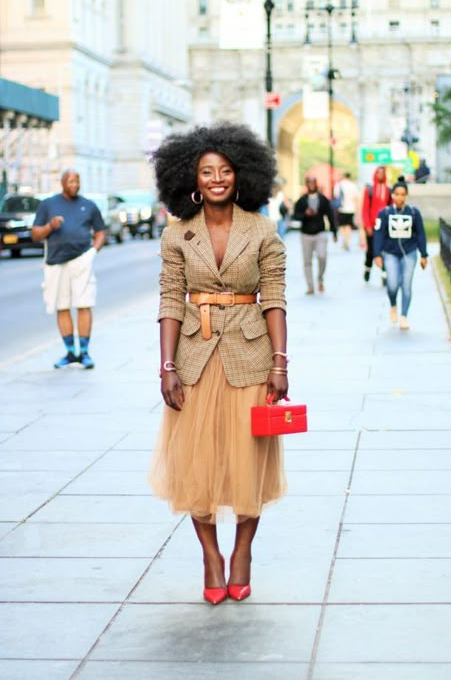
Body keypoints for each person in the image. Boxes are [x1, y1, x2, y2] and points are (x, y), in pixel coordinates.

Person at [148, 123, 288, 605]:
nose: (216, 179)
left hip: (250, 357)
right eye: (206, 172)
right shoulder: (177, 233)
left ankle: (243, 551)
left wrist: (280, 362)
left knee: (250, 463)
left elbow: (274, 296)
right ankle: (211, 556)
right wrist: (167, 366)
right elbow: (170, 299)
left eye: (225, 171)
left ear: (241, 175)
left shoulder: (263, 229)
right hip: (195, 357)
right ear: (192, 178)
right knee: (196, 465)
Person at [32, 170, 105, 369]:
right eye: (71, 181)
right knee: (61, 305)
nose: (75, 184)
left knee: (84, 303)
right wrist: (50, 226)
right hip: (56, 262)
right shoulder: (48, 204)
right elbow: (35, 234)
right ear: (63, 182)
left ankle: (84, 351)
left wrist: (93, 251)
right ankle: (70, 352)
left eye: (77, 181)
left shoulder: (88, 205)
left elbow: (100, 232)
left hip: (81, 261)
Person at [373, 180, 428, 330]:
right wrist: (377, 254)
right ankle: (393, 305)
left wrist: (424, 254)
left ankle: (404, 316)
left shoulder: (414, 213)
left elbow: (421, 234)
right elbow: (378, 234)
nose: (400, 198)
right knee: (392, 284)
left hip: (409, 253)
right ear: (392, 195)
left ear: (406, 196)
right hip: (390, 253)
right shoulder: (384, 213)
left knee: (406, 284)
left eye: (403, 194)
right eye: (397, 194)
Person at [293, 176, 337, 294]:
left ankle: (320, 279)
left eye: (313, 182)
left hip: (320, 233)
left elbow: (330, 215)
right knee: (307, 261)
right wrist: (305, 214)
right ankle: (310, 286)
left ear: (316, 184)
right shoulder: (302, 200)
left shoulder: (323, 199)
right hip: (306, 234)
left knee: (322, 256)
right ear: (306, 184)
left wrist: (334, 231)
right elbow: (295, 215)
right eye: (309, 183)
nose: (312, 185)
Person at [361, 166, 392, 284]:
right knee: (371, 250)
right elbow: (365, 209)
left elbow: (391, 207)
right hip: (372, 225)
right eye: (378, 173)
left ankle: (384, 273)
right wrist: (367, 225)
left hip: (384, 226)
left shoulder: (388, 190)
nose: (380, 175)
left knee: (385, 250)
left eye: (382, 173)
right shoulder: (369, 190)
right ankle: (367, 268)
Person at [333, 172, 361, 251]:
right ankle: (347, 241)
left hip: (341, 208)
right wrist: (357, 210)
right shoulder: (353, 185)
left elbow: (335, 196)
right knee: (348, 226)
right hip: (351, 209)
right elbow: (356, 198)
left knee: (342, 226)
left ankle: (344, 240)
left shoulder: (339, 185)